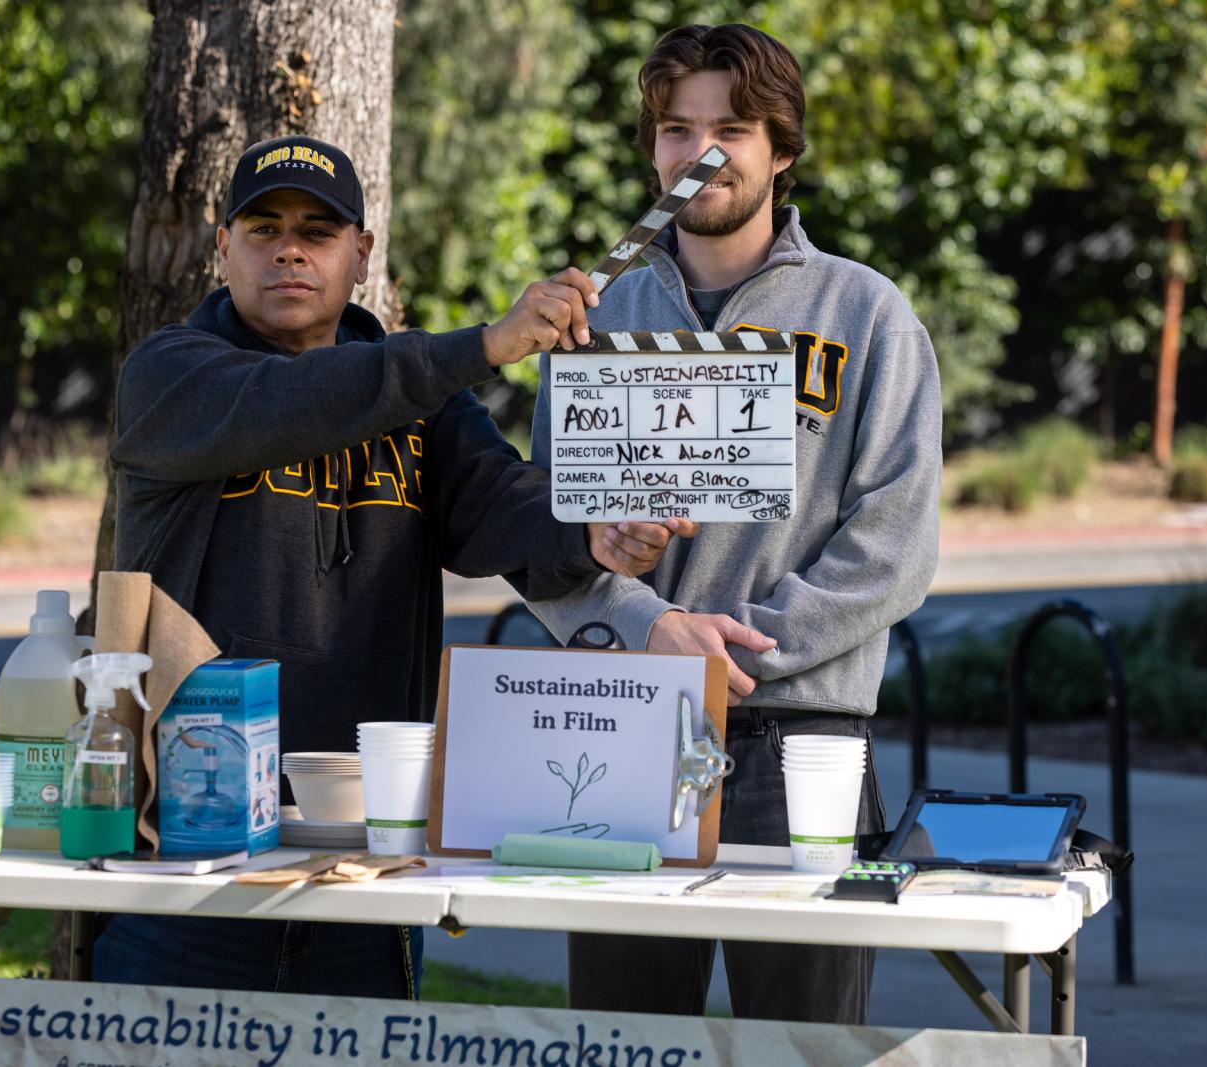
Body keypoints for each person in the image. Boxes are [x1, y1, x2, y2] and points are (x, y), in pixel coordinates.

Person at [98, 133, 686, 997]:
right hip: (188, 843)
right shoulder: (170, 378)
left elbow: (496, 505)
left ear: (361, 254)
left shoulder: (424, 405)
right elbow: (296, 401)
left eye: (319, 231)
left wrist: (588, 527)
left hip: (370, 850)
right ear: (222, 249)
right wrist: (484, 343)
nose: (289, 248)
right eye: (262, 229)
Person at [529, 24, 942, 1023]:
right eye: (677, 128)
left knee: (806, 1043)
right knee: (625, 1039)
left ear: (782, 148)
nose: (701, 150)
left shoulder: (866, 312)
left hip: (805, 738)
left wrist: (743, 648)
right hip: (626, 730)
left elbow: (897, 542)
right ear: (653, 150)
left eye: (733, 126)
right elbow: (538, 535)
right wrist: (635, 610)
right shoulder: (594, 315)